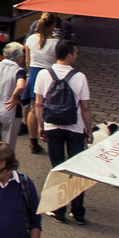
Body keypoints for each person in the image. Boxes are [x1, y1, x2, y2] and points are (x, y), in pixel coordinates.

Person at [30, 41, 91, 224]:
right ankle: (78, 212)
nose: (77, 55)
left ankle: (59, 210)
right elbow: (85, 107)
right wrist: (88, 130)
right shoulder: (79, 77)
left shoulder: (43, 74)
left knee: (58, 169)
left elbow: (38, 104)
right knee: (76, 171)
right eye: (76, 52)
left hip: (52, 126)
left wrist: (41, 126)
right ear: (70, 54)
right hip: (75, 128)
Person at [22, 14, 62, 154]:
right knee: (50, 108)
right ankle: (50, 136)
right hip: (50, 76)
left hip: (33, 74)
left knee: (33, 108)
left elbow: (27, 61)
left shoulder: (31, 39)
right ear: (52, 25)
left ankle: (33, 141)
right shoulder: (56, 43)